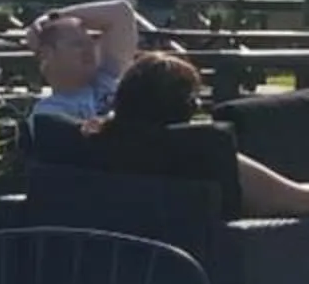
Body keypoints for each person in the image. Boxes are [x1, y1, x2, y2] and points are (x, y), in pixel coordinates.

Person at [89, 50, 309, 219]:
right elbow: (299, 200)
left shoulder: (93, 143)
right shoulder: (205, 153)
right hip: (218, 264)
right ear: (189, 106)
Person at [26, 0, 142, 121]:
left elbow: (121, 12)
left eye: (90, 42)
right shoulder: (48, 112)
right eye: (78, 44)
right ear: (47, 54)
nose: (89, 48)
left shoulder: (106, 77)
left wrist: (51, 17)